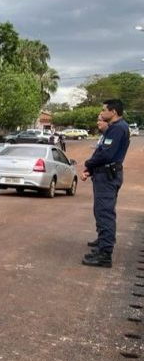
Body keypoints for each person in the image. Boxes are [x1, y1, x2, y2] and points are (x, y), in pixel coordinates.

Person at [80, 100, 130, 268]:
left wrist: (88, 163)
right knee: (101, 211)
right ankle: (102, 246)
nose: (101, 113)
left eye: (104, 110)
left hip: (108, 176)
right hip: (104, 174)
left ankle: (105, 254)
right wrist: (92, 169)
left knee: (105, 213)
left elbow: (106, 155)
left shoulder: (117, 129)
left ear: (113, 112)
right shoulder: (115, 128)